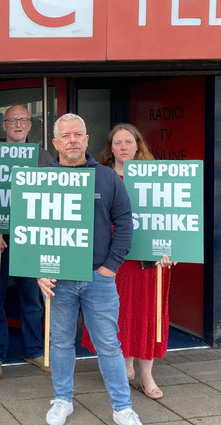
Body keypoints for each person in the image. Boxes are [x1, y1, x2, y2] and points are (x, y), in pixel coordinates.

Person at [37, 113, 142, 425]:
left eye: (78, 134)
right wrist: (38, 270)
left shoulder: (108, 178)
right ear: (54, 143)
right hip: (58, 281)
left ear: (86, 139)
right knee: (59, 342)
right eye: (65, 135)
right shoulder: (40, 179)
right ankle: (62, 400)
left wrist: (110, 267)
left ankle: (122, 407)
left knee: (109, 344)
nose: (72, 140)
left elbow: (124, 223)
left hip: (99, 278)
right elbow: (30, 228)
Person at [81, 123, 174, 400]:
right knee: (118, 316)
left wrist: (173, 248)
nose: (123, 147)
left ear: (138, 145)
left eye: (128, 142)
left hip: (148, 263)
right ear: (110, 147)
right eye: (118, 142)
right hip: (114, 259)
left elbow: (172, 217)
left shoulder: (156, 177)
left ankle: (147, 375)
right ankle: (124, 363)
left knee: (148, 315)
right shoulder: (101, 176)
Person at [0, 104, 54, 378]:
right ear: (4, 125)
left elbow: (51, 197)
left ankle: (34, 349)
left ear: (30, 125)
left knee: (32, 298)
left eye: (23, 120)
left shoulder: (43, 157)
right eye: (13, 120)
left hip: (31, 241)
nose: (18, 125)